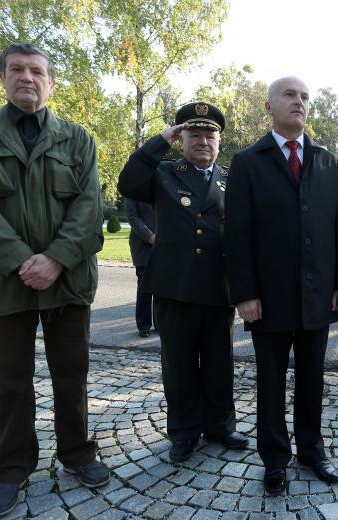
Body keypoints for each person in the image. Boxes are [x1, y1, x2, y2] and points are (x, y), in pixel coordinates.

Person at [0, 42, 109, 518]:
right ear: (3, 78)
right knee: (10, 383)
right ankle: (11, 470)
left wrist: (55, 259)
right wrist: (21, 261)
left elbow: (88, 209)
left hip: (68, 281)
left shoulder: (78, 140)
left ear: (51, 82)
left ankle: (77, 454)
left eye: (37, 71)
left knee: (72, 375)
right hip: (2, 283)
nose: (27, 78)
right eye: (17, 69)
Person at [224, 77, 338, 494]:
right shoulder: (248, 161)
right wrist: (244, 293)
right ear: (268, 106)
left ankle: (313, 451)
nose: (298, 102)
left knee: (312, 379)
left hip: (319, 294)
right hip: (268, 297)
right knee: (270, 381)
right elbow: (237, 234)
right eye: (289, 95)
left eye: (304, 97)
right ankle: (275, 459)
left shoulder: (328, 162)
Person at [118, 102, 248, 462]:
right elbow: (127, 182)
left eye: (211, 135)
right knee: (179, 365)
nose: (203, 141)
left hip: (218, 287)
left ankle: (221, 426)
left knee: (220, 362)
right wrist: (159, 140)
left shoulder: (231, 179)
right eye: (195, 134)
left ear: (219, 142)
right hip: (175, 287)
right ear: (181, 138)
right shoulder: (163, 172)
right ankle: (184, 432)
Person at [124, 198, 155, 337]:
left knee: (164, 288)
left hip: (165, 244)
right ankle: (144, 325)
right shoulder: (133, 189)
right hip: (143, 245)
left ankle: (161, 324)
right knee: (145, 288)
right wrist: (149, 236)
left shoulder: (162, 184)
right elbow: (132, 217)